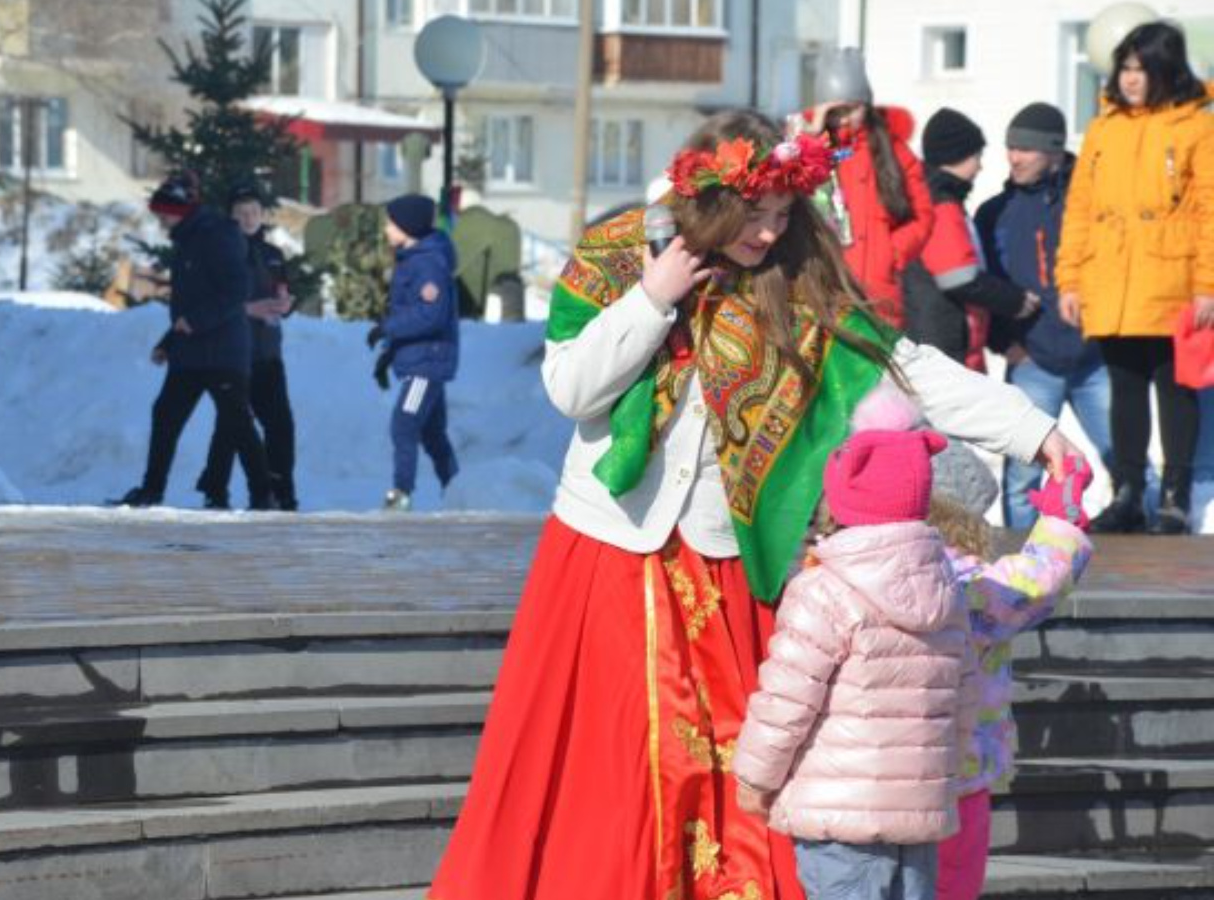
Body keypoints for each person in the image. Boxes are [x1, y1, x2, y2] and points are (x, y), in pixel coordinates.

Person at [426, 109, 1080, 900]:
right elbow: (573, 389)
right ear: (710, 200)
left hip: (731, 552)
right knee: (617, 757)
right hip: (610, 551)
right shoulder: (621, 251)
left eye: (781, 217)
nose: (768, 234)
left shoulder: (798, 282)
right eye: (755, 216)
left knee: (736, 760)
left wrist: (1033, 431)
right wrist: (652, 297)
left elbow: (903, 365)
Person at [735, 387, 976, 900]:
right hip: (919, 812)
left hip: (837, 814)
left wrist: (756, 778)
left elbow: (787, 701)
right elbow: (963, 700)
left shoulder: (824, 590)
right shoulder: (946, 589)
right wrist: (944, 778)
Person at [1056, 21, 1214, 534]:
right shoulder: (1104, 128)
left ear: (1164, 70)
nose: (1130, 78)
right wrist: (1070, 280)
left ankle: (1173, 496)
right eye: (1125, 67)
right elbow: (1079, 207)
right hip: (1111, 277)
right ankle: (1127, 492)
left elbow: (1212, 210)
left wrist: (1207, 285)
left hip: (1173, 277)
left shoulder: (1197, 126)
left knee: (1176, 388)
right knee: (1123, 387)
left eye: (1141, 68)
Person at [929, 452, 1093, 900]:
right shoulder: (965, 585)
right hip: (956, 774)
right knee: (952, 884)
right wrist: (1060, 522)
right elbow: (1035, 583)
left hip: (872, 778)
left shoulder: (849, 569)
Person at [978, 102, 1112, 529]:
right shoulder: (994, 212)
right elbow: (986, 286)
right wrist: (1005, 344)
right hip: (1031, 359)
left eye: (1025, 149)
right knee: (1022, 475)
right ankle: (1022, 574)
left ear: (1054, 152)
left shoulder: (1089, 202)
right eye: (1010, 147)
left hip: (1097, 358)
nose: (1014, 157)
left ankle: (1147, 561)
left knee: (1124, 460)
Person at [114, 173, 272, 509]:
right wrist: (168, 341)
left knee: (238, 423)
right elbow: (192, 301)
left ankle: (263, 496)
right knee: (166, 415)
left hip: (224, 352)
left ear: (180, 210)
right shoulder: (187, 238)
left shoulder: (218, 235)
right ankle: (151, 490)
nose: (160, 220)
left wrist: (195, 322)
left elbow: (235, 291)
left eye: (164, 213)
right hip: (191, 352)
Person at [801, 48, 935, 328]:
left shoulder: (894, 150)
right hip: (825, 289)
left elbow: (922, 213)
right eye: (836, 111)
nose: (845, 119)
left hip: (878, 293)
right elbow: (788, 193)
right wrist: (811, 138)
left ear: (868, 105)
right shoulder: (809, 149)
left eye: (853, 109)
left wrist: (892, 252)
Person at [905, 108, 1039, 370]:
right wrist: (1017, 301)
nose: (980, 165)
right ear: (958, 156)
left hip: (940, 341)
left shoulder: (930, 197)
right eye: (977, 156)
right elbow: (959, 277)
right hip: (945, 345)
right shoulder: (941, 205)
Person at [195, 186, 298, 511]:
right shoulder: (219, 254)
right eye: (241, 213)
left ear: (263, 215)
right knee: (232, 425)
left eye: (254, 212)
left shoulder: (273, 254)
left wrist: (285, 304)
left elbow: (284, 291)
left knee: (280, 425)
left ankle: (283, 491)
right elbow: (211, 303)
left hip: (268, 353)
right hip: (232, 355)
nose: (249, 218)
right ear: (231, 218)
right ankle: (216, 490)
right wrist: (249, 309)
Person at [368, 194, 460, 512]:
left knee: (404, 424)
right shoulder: (414, 258)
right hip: (421, 359)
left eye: (390, 222)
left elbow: (431, 314)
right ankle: (457, 489)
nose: (385, 228)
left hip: (426, 364)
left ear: (407, 226)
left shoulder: (427, 263)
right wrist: (388, 355)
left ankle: (401, 492)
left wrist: (388, 328)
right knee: (433, 434)